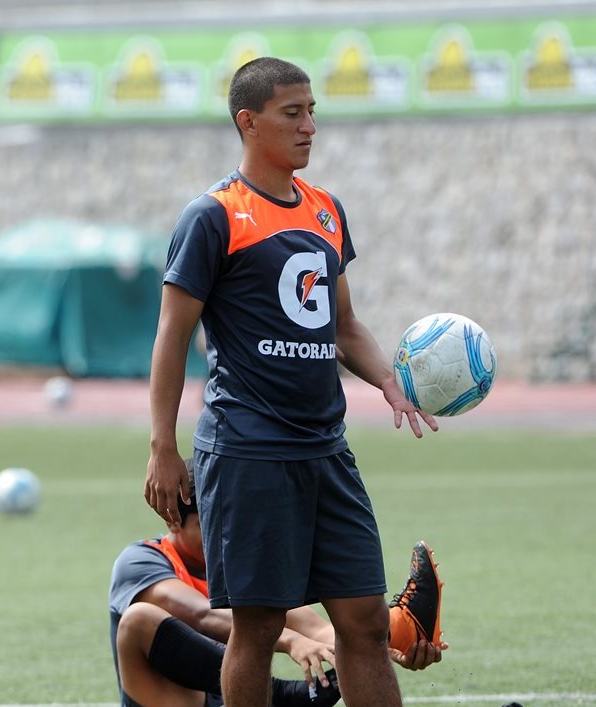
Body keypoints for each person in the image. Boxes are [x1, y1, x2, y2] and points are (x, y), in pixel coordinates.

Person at [145, 56, 443, 707]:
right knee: (257, 626)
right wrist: (162, 446)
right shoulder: (213, 215)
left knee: (363, 620)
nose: (309, 126)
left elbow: (344, 325)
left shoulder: (325, 210)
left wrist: (388, 382)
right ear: (248, 122)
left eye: (312, 111)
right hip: (247, 449)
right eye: (293, 113)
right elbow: (170, 338)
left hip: (324, 449)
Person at [112, 460, 446, 707]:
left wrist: (383, 646)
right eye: (211, 525)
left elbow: (313, 628)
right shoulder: (142, 559)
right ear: (174, 519)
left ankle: (396, 630)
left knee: (278, 610)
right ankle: (287, 696)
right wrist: (289, 642)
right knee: (139, 619)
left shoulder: (236, 561)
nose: (226, 536)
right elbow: (201, 615)